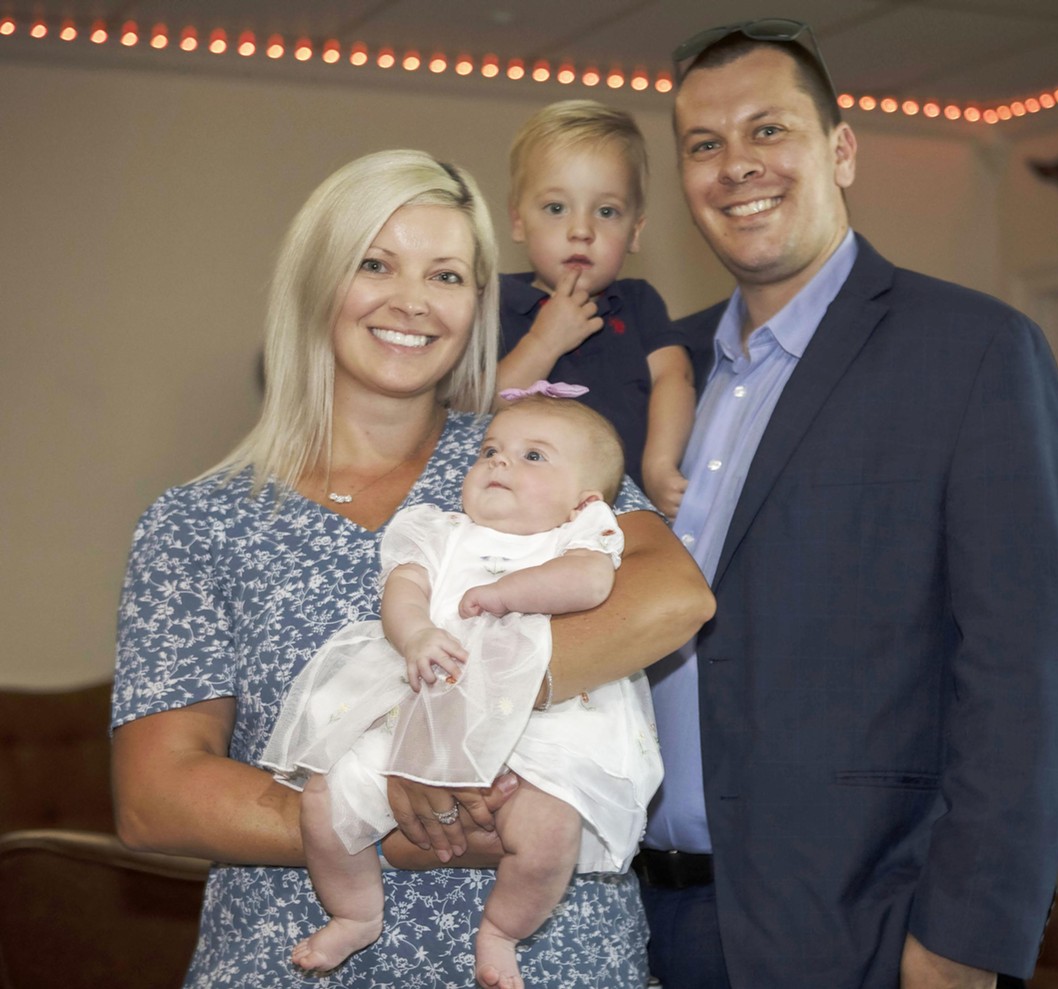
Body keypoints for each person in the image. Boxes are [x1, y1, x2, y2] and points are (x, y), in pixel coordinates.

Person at [110, 148, 713, 988]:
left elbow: (672, 595)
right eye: (375, 263)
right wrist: (387, 815)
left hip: (554, 962)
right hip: (293, 963)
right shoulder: (200, 521)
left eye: (447, 275)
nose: (412, 301)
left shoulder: (533, 453)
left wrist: (453, 724)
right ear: (317, 283)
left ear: (478, 303)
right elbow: (157, 795)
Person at [637, 19, 1058, 988]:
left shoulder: (971, 352)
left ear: (839, 150)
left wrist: (967, 938)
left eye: (768, 131)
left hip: (852, 929)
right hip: (625, 921)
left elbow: (1028, 669)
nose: (735, 167)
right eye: (703, 144)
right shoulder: (656, 368)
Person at [262, 392, 663, 988]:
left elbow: (590, 582)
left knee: (551, 833)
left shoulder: (578, 538)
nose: (500, 463)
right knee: (324, 801)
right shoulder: (442, 532)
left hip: (544, 729)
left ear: (585, 500)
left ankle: (501, 932)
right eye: (490, 451)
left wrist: (511, 594)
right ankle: (355, 912)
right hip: (418, 706)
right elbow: (401, 592)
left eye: (532, 456)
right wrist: (417, 631)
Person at [497, 99, 695, 518]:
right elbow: (476, 409)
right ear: (518, 220)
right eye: (556, 208)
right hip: (521, 520)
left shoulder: (638, 303)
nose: (582, 230)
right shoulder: (495, 304)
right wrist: (542, 342)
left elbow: (674, 379)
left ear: (635, 231)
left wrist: (658, 465)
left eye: (606, 212)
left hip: (624, 514)